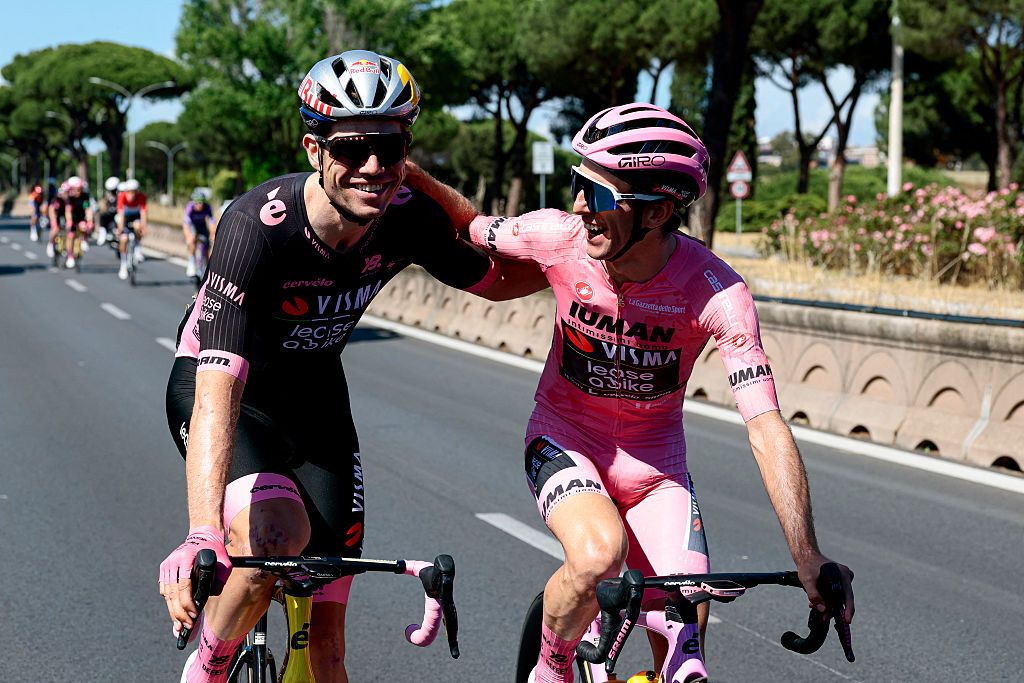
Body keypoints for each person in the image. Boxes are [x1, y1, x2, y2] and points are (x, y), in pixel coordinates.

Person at [414, 103, 855, 683]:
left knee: (688, 615)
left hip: (656, 470)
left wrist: (806, 553)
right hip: (564, 440)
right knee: (598, 556)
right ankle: (549, 670)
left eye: (597, 195)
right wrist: (407, 173)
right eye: (577, 184)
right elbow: (472, 225)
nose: (579, 206)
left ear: (658, 211)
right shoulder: (559, 236)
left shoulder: (717, 293)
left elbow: (765, 425)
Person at [159, 50, 536, 683]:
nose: (372, 168)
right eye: (352, 148)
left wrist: (587, 265)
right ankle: (207, 668)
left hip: (316, 397)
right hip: (230, 392)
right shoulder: (257, 227)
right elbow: (216, 395)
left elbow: (497, 277)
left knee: (329, 647)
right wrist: (203, 532)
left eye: (390, 149)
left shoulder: (405, 216)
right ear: (314, 149)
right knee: (271, 541)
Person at [115, 178, 147, 280]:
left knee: (138, 226)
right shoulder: (121, 196)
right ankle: (123, 264)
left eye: (134, 192)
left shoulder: (141, 197)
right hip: (125, 218)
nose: (131, 195)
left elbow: (143, 213)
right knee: (124, 239)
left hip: (136, 217)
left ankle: (137, 248)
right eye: (129, 192)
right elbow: (120, 213)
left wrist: (143, 227)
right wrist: (120, 228)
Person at [182, 190, 216, 277]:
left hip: (202, 226)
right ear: (194, 202)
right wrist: (189, 236)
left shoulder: (207, 207)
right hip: (192, 226)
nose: (200, 204)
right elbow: (186, 224)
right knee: (191, 239)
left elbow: (212, 221)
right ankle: (192, 262)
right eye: (197, 202)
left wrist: (212, 233)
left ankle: (206, 267)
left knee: (207, 244)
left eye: (202, 202)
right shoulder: (190, 207)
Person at [62, 176, 93, 269]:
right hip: (72, 217)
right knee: (70, 236)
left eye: (80, 189)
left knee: (84, 226)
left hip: (81, 218)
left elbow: (87, 209)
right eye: (76, 189)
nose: (78, 191)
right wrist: (69, 221)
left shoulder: (85, 196)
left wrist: (90, 221)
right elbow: (68, 210)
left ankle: (84, 239)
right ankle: (70, 256)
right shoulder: (70, 198)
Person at [45, 181, 68, 260]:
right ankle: (50, 243)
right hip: (56, 215)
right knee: (55, 229)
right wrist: (54, 221)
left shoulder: (70, 199)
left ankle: (66, 246)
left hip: (66, 215)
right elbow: (52, 210)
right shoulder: (57, 200)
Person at [97, 176, 120, 245]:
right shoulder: (108, 196)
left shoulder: (121, 194)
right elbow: (102, 204)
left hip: (119, 214)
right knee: (103, 216)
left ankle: (117, 232)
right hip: (110, 214)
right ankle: (103, 232)